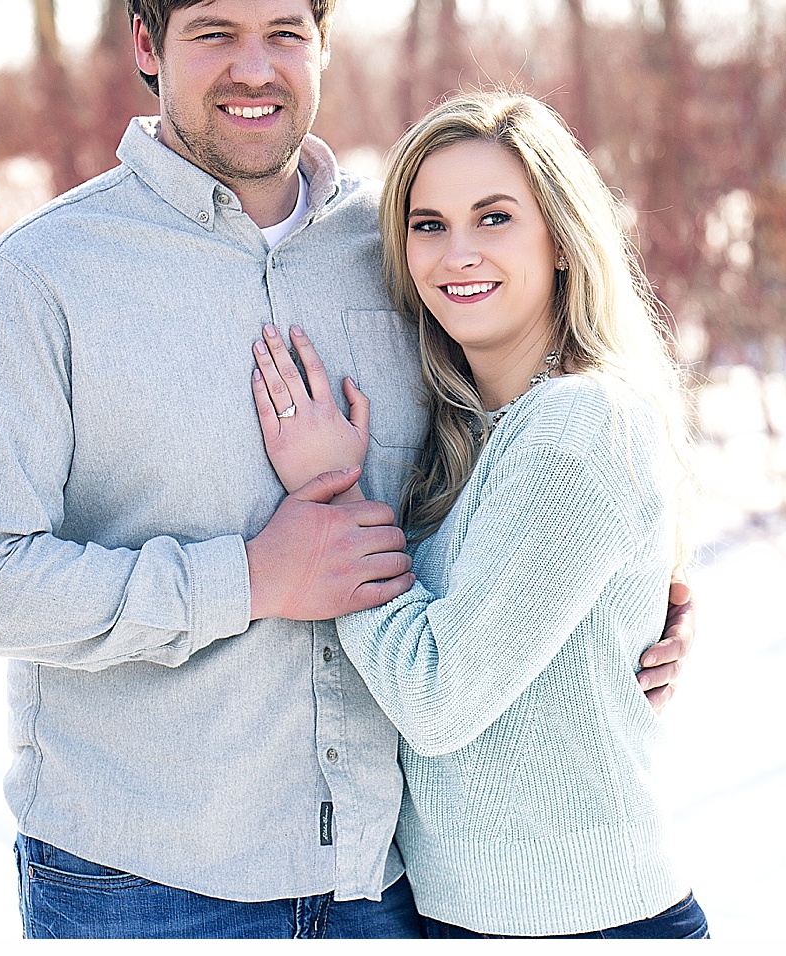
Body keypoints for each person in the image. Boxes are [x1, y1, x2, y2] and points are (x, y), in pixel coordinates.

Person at [0, 0, 693, 940]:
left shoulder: (409, 248)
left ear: (322, 46)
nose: (254, 67)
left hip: (393, 888)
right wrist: (245, 580)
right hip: (146, 886)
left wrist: (625, 609)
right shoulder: (44, 280)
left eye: (285, 32)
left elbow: (519, 471)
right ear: (148, 46)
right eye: (214, 34)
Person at [245, 91, 708, 938]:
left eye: (493, 218)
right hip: (476, 919)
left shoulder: (579, 426)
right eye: (428, 225)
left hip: (586, 926)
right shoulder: (469, 432)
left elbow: (436, 698)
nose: (456, 254)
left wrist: (333, 498)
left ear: (562, 239)